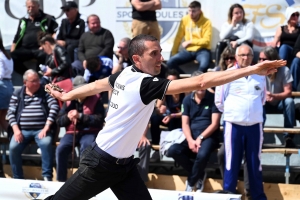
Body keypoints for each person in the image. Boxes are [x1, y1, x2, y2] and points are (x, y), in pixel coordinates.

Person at [44, 34, 285, 200]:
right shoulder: (144, 83)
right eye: (154, 54)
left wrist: (68, 97)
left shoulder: (125, 73)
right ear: (137, 59)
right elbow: (200, 81)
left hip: (124, 165)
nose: (161, 58)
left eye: (160, 52)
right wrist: (253, 69)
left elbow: (96, 85)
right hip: (100, 163)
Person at [215, 44, 267, 199]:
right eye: (242, 55)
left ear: (253, 57)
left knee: (254, 163)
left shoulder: (260, 74)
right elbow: (219, 101)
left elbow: (262, 99)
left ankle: (257, 196)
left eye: (249, 55)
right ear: (236, 57)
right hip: (233, 124)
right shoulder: (227, 74)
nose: (246, 58)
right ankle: (229, 194)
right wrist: (235, 112)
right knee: (231, 161)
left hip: (255, 125)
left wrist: (251, 112)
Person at [167, 70, 221, 192]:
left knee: (201, 155)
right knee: (173, 150)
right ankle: (199, 175)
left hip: (209, 136)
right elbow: (185, 123)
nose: (201, 85)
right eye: (197, 82)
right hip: (191, 136)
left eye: (203, 82)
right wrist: (191, 140)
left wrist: (200, 138)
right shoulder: (187, 100)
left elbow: (215, 124)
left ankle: (191, 182)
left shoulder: (213, 98)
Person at [7, 69, 59, 181]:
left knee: (46, 144)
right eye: (33, 81)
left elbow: (54, 107)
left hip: (41, 129)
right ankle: (18, 178)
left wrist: (47, 126)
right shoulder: (18, 93)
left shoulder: (44, 92)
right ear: (25, 82)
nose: (37, 83)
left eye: (37, 80)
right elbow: (10, 112)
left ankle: (47, 176)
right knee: (13, 147)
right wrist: (16, 130)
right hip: (22, 130)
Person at [56, 76, 105, 182]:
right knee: (61, 149)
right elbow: (59, 121)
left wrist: (81, 116)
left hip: (90, 132)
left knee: (86, 148)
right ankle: (61, 181)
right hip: (71, 133)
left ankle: (83, 181)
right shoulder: (68, 101)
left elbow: (100, 119)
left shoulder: (96, 99)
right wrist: (67, 117)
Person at [10, 0, 58, 75]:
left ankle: (40, 76)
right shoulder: (23, 20)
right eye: (28, 7)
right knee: (12, 57)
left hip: (40, 48)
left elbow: (55, 33)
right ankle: (28, 75)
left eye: (33, 6)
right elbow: (17, 37)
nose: (30, 9)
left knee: (44, 55)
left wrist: (47, 44)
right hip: (25, 49)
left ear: (38, 6)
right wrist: (12, 50)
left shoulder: (48, 18)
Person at [261, 47, 296, 148]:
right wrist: (264, 96)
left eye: (264, 59)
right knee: (257, 102)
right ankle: (259, 135)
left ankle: (288, 136)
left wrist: (273, 96)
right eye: (260, 59)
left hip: (280, 101)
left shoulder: (284, 70)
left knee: (289, 102)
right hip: (265, 101)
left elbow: (288, 92)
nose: (261, 61)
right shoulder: (258, 70)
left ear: (272, 60)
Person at [167, 1, 212, 73]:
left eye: (193, 11)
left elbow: (206, 41)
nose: (191, 13)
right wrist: (174, 53)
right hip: (188, 51)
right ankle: (187, 80)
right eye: (189, 11)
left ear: (199, 11)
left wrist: (190, 42)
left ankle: (196, 79)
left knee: (204, 65)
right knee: (170, 62)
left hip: (202, 50)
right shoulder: (185, 19)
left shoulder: (206, 22)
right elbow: (178, 37)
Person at [0, 37, 14, 178]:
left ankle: (14, 137)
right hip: (7, 85)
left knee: (2, 119)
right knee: (2, 119)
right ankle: (13, 137)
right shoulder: (5, 54)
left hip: (1, 86)